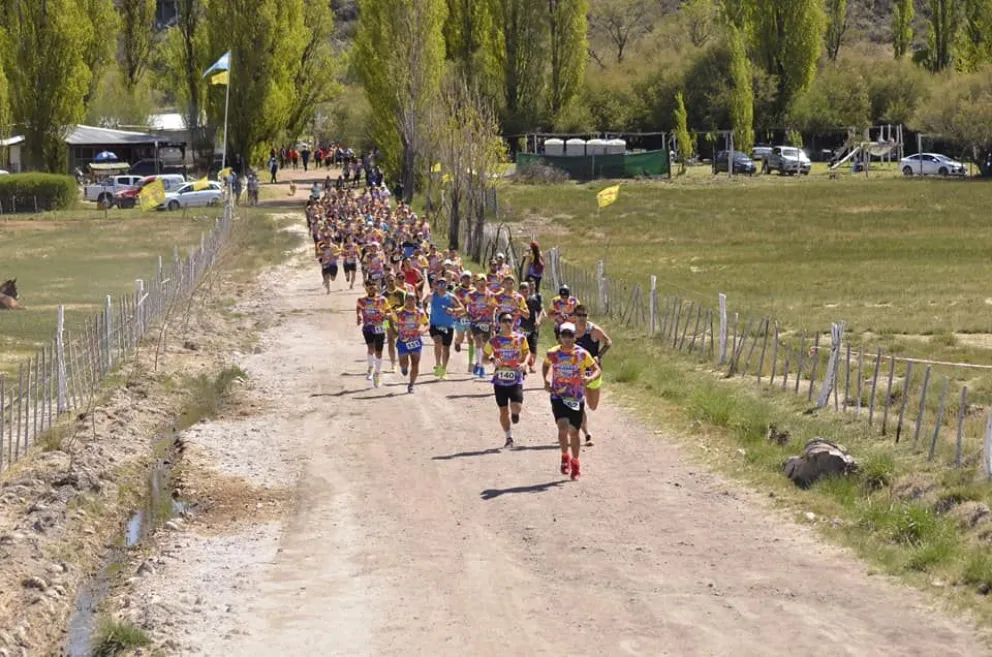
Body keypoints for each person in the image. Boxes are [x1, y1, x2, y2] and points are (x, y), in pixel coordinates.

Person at [543, 322, 600, 480]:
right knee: (562, 428)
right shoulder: (553, 353)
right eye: (564, 335)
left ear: (575, 336)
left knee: (574, 432)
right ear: (560, 337)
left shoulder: (582, 354)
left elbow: (597, 370)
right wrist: (547, 380)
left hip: (576, 397)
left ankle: (575, 462)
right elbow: (546, 366)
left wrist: (589, 378)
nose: (567, 339)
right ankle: (564, 456)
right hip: (558, 396)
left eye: (570, 335)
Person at [485, 312, 530, 449]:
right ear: (499, 323)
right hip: (499, 381)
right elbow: (484, 357)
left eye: (510, 320)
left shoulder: (520, 338)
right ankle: (508, 437)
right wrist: (493, 360)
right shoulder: (494, 340)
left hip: (515, 378)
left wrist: (525, 363)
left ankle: (515, 414)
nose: (508, 323)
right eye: (504, 321)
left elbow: (527, 352)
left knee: (516, 407)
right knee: (503, 411)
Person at [573, 304, 612, 447]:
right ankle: (586, 434)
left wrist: (598, 356)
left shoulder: (593, 331)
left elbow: (608, 342)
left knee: (593, 405)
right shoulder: (570, 331)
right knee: (578, 403)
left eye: (584, 315)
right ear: (574, 316)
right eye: (579, 315)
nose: (582, 318)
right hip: (576, 374)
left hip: (593, 372)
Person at [425, 278, 465, 379]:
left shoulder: (451, 297)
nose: (442, 286)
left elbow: (462, 309)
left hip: (448, 325)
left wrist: (453, 310)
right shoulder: (431, 296)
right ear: (436, 286)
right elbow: (423, 302)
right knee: (437, 342)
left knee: (446, 348)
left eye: (444, 284)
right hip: (434, 324)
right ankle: (438, 365)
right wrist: (425, 313)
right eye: (440, 284)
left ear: (446, 285)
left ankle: (443, 369)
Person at [389, 291, 429, 393]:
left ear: (415, 300)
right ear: (405, 300)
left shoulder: (419, 313)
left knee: (415, 364)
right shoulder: (398, 312)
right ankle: (404, 367)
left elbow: (427, 324)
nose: (411, 301)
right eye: (409, 299)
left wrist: (423, 331)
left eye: (413, 299)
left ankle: (411, 385)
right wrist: (392, 332)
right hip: (403, 341)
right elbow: (389, 320)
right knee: (404, 363)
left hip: (415, 341)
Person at [356, 281, 389, 388]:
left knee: (379, 352)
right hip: (368, 328)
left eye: (373, 288)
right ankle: (370, 367)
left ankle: (377, 374)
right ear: (366, 289)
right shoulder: (362, 300)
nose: (372, 290)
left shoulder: (382, 300)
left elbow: (389, 312)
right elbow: (359, 308)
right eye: (370, 288)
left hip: (380, 327)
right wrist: (359, 316)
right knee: (371, 349)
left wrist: (386, 322)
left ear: (376, 289)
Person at [466, 274, 498, 378]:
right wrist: (468, 315)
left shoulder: (490, 295)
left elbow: (494, 308)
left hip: (486, 322)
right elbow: (465, 306)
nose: (482, 284)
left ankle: (481, 362)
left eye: (483, 282)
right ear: (476, 283)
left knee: (485, 345)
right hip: (475, 321)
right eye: (479, 282)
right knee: (478, 340)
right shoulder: (471, 294)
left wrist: (492, 321)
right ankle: (480, 366)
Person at [518, 280, 545, 373]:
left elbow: (541, 310)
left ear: (529, 291)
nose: (525, 293)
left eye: (526, 291)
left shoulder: (533, 301)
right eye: (523, 291)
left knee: (533, 348)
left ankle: (532, 365)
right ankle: (523, 365)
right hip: (520, 328)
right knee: (522, 348)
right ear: (519, 291)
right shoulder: (517, 301)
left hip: (532, 327)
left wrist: (538, 320)